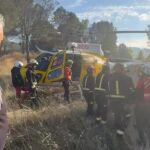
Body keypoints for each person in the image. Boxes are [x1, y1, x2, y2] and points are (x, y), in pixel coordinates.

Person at [107, 63, 135, 136]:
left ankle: (116, 129)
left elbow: (107, 88)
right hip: (123, 101)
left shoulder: (110, 77)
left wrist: (108, 99)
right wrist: (130, 102)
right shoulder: (128, 78)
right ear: (123, 69)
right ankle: (121, 130)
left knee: (117, 114)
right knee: (128, 116)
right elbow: (132, 91)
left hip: (113, 100)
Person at [135, 64, 150, 147]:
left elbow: (137, 93)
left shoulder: (141, 80)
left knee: (139, 123)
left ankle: (142, 141)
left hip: (141, 106)